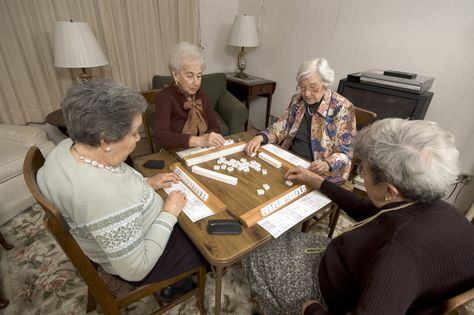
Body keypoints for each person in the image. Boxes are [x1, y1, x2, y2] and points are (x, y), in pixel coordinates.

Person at [243, 118, 474, 315]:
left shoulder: (400, 253)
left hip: (326, 293)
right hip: (346, 264)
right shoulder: (435, 207)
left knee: (253, 249)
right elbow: (367, 210)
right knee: (278, 238)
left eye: (363, 168)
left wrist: (312, 309)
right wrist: (318, 182)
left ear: (390, 191)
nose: (359, 170)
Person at [37, 79, 206, 302]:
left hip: (120, 232)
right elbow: (136, 269)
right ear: (105, 140)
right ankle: (178, 282)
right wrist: (169, 213)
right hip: (143, 261)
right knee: (206, 239)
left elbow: (116, 192)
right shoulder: (102, 194)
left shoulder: (63, 148)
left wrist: (148, 184)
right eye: (135, 132)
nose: (138, 138)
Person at [245, 58, 355, 179]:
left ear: (325, 83)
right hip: (290, 159)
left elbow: (346, 152)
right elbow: (280, 128)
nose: (306, 93)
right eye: (302, 88)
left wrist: (326, 164)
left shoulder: (343, 108)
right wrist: (260, 137)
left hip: (319, 172)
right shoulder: (297, 100)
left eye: (313, 87)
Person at [154, 41, 225, 150]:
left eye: (199, 76)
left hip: (200, 151)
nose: (196, 82)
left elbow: (214, 127)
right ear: (176, 75)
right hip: (175, 152)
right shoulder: (165, 97)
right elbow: (160, 137)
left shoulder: (202, 95)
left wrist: (208, 138)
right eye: (190, 76)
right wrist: (199, 141)